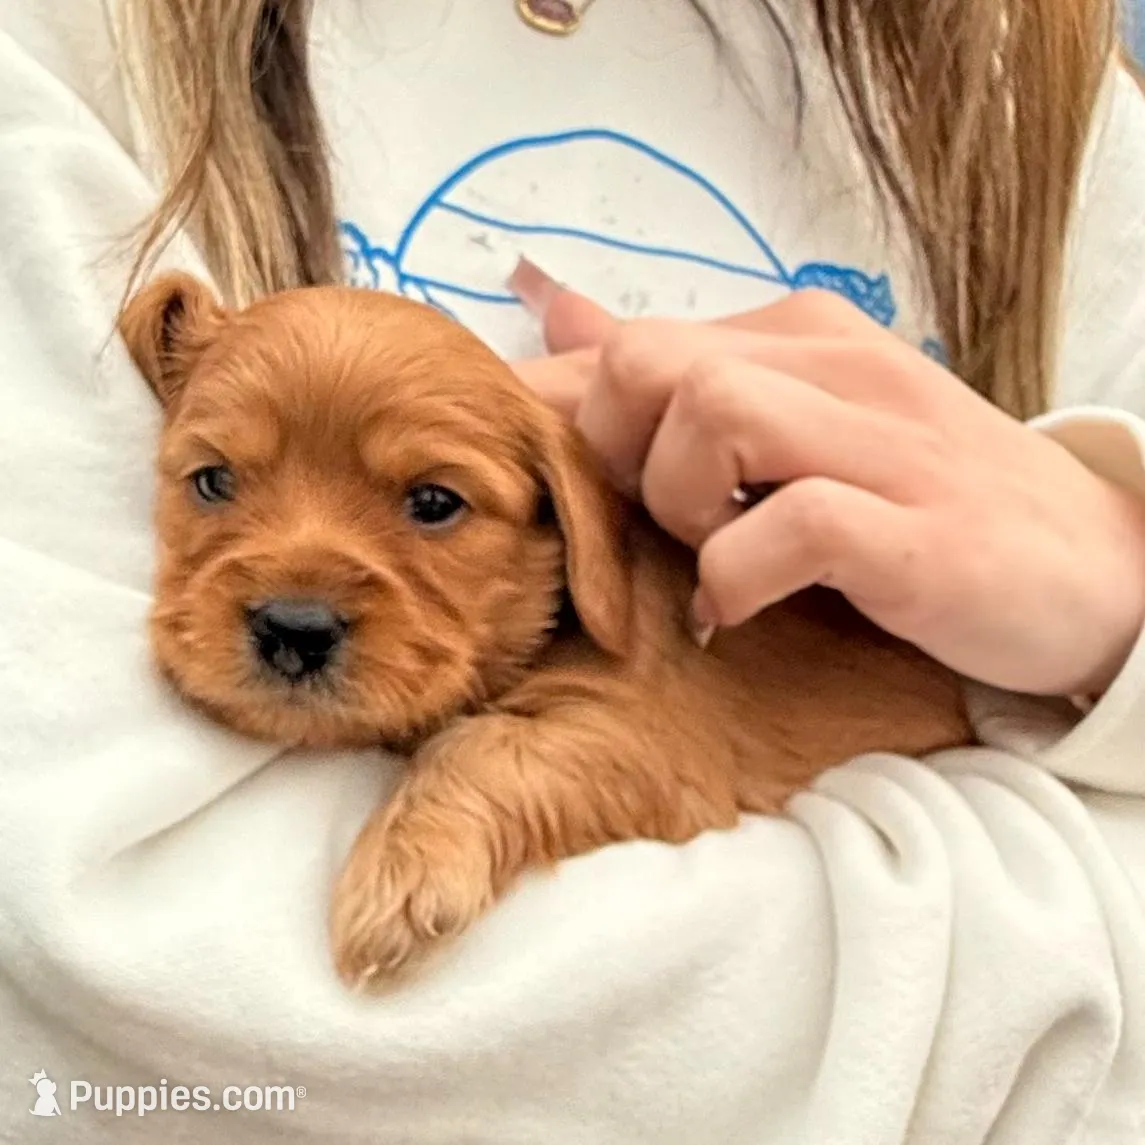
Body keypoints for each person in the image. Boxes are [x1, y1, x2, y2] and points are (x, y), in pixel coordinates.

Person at [1, 1, 1143, 1142]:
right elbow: (109, 969)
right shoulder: (62, 49)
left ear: (581, 530)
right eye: (215, 483)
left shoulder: (1041, 94)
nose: (297, 604)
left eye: (433, 503)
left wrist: (1118, 582)